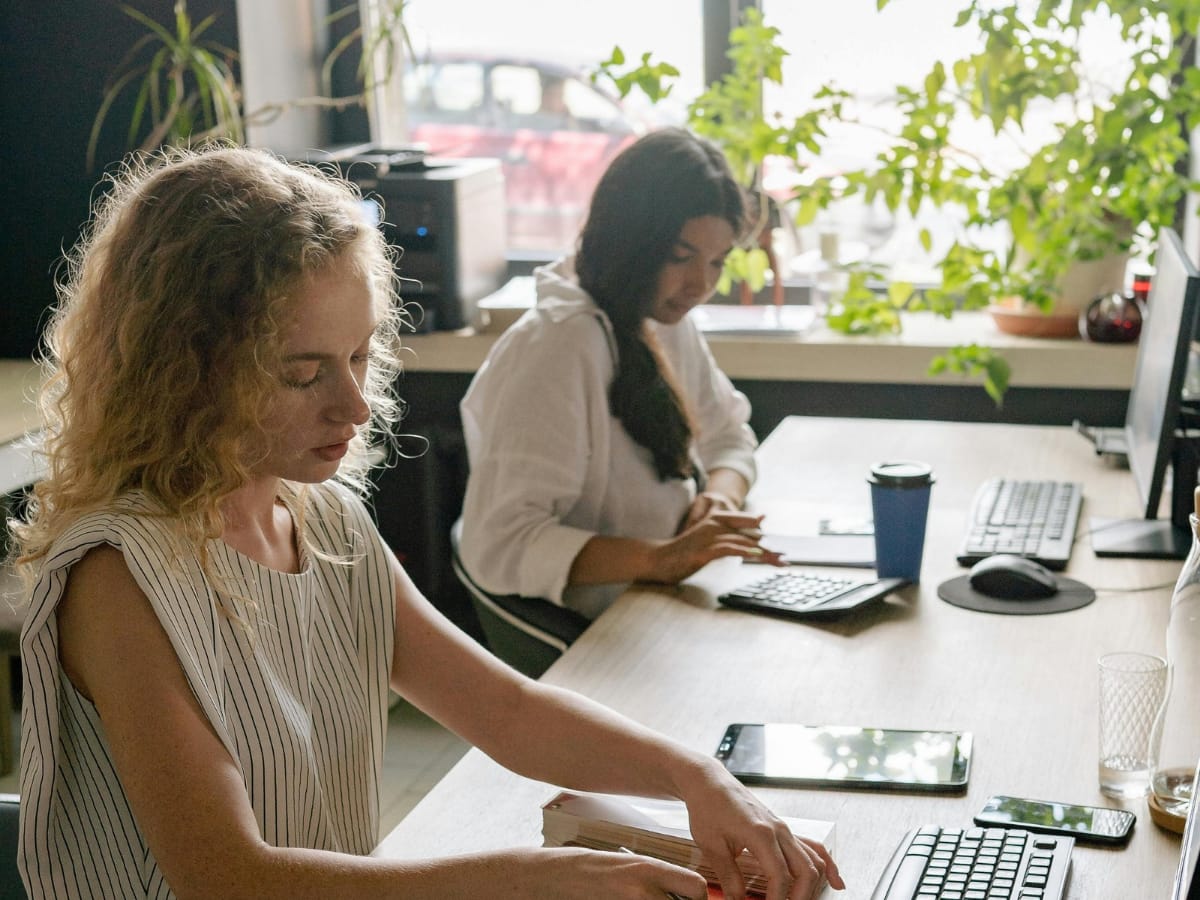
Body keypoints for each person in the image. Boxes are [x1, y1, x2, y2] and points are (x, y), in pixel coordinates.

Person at [10, 145, 842, 899]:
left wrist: (701, 779)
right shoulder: (117, 577)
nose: (354, 404)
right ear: (187, 374)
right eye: (304, 374)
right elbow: (230, 876)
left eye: (361, 356)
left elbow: (508, 713)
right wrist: (526, 877)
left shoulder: (324, 522)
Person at [458, 127, 783, 620]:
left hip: (661, 605)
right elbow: (498, 545)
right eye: (681, 257)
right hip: (607, 632)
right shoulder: (558, 347)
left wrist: (719, 497)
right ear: (630, 240)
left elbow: (729, 436)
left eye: (717, 262)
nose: (701, 285)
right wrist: (660, 558)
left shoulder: (662, 316)